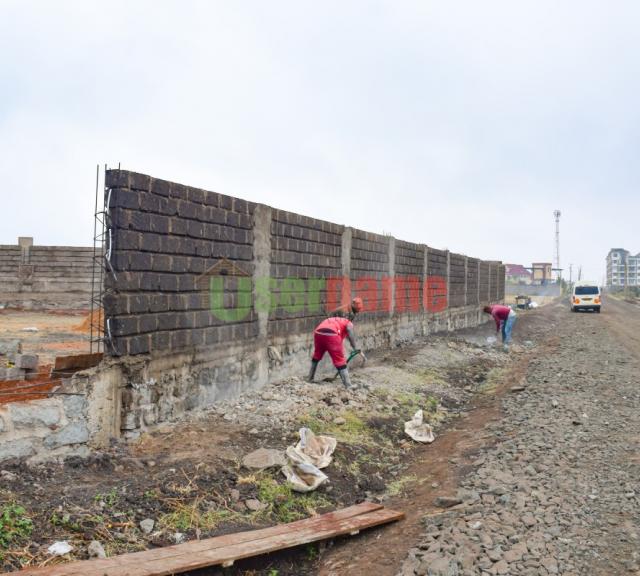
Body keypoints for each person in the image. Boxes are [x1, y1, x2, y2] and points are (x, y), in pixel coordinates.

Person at [308, 298, 365, 388]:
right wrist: (355, 347)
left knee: (317, 355)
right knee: (340, 360)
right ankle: (348, 385)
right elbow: (349, 331)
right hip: (331, 334)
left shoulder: (336, 319)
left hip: (318, 332)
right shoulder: (347, 320)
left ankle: (310, 378)